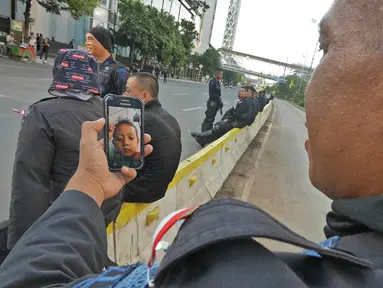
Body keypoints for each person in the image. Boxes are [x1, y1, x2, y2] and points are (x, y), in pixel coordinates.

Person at [3, 0, 383, 287]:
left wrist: (86, 186)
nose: (311, 84)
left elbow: (30, 274)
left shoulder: (220, 274)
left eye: (325, 49)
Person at [6, 49, 119, 251]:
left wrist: (20, 248)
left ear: (59, 72)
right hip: (97, 218)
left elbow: (29, 185)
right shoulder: (112, 112)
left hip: (57, 223)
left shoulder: (42, 113)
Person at [121, 72, 181, 203]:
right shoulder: (169, 117)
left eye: (127, 91)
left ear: (144, 96)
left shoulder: (139, 119)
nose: (123, 95)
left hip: (140, 191)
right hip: (159, 189)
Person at [191, 85, 256, 146]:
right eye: (239, 91)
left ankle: (202, 136)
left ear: (247, 93)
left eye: (242, 91)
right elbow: (234, 112)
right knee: (220, 126)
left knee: (220, 127)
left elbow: (237, 115)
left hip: (238, 123)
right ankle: (204, 139)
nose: (239, 92)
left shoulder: (246, 103)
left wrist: (227, 120)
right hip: (237, 121)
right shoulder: (242, 101)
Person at [85, 26, 129, 97]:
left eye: (90, 39)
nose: (86, 43)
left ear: (102, 42)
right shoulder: (87, 66)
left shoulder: (119, 70)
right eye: (86, 39)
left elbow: (124, 100)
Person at [201, 67, 223, 132]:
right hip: (212, 104)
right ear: (217, 74)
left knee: (211, 119)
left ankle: (208, 134)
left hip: (215, 104)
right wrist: (219, 99)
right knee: (209, 119)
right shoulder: (212, 81)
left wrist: (220, 102)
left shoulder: (218, 82)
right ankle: (203, 135)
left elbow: (219, 94)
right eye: (221, 74)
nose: (222, 76)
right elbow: (212, 94)